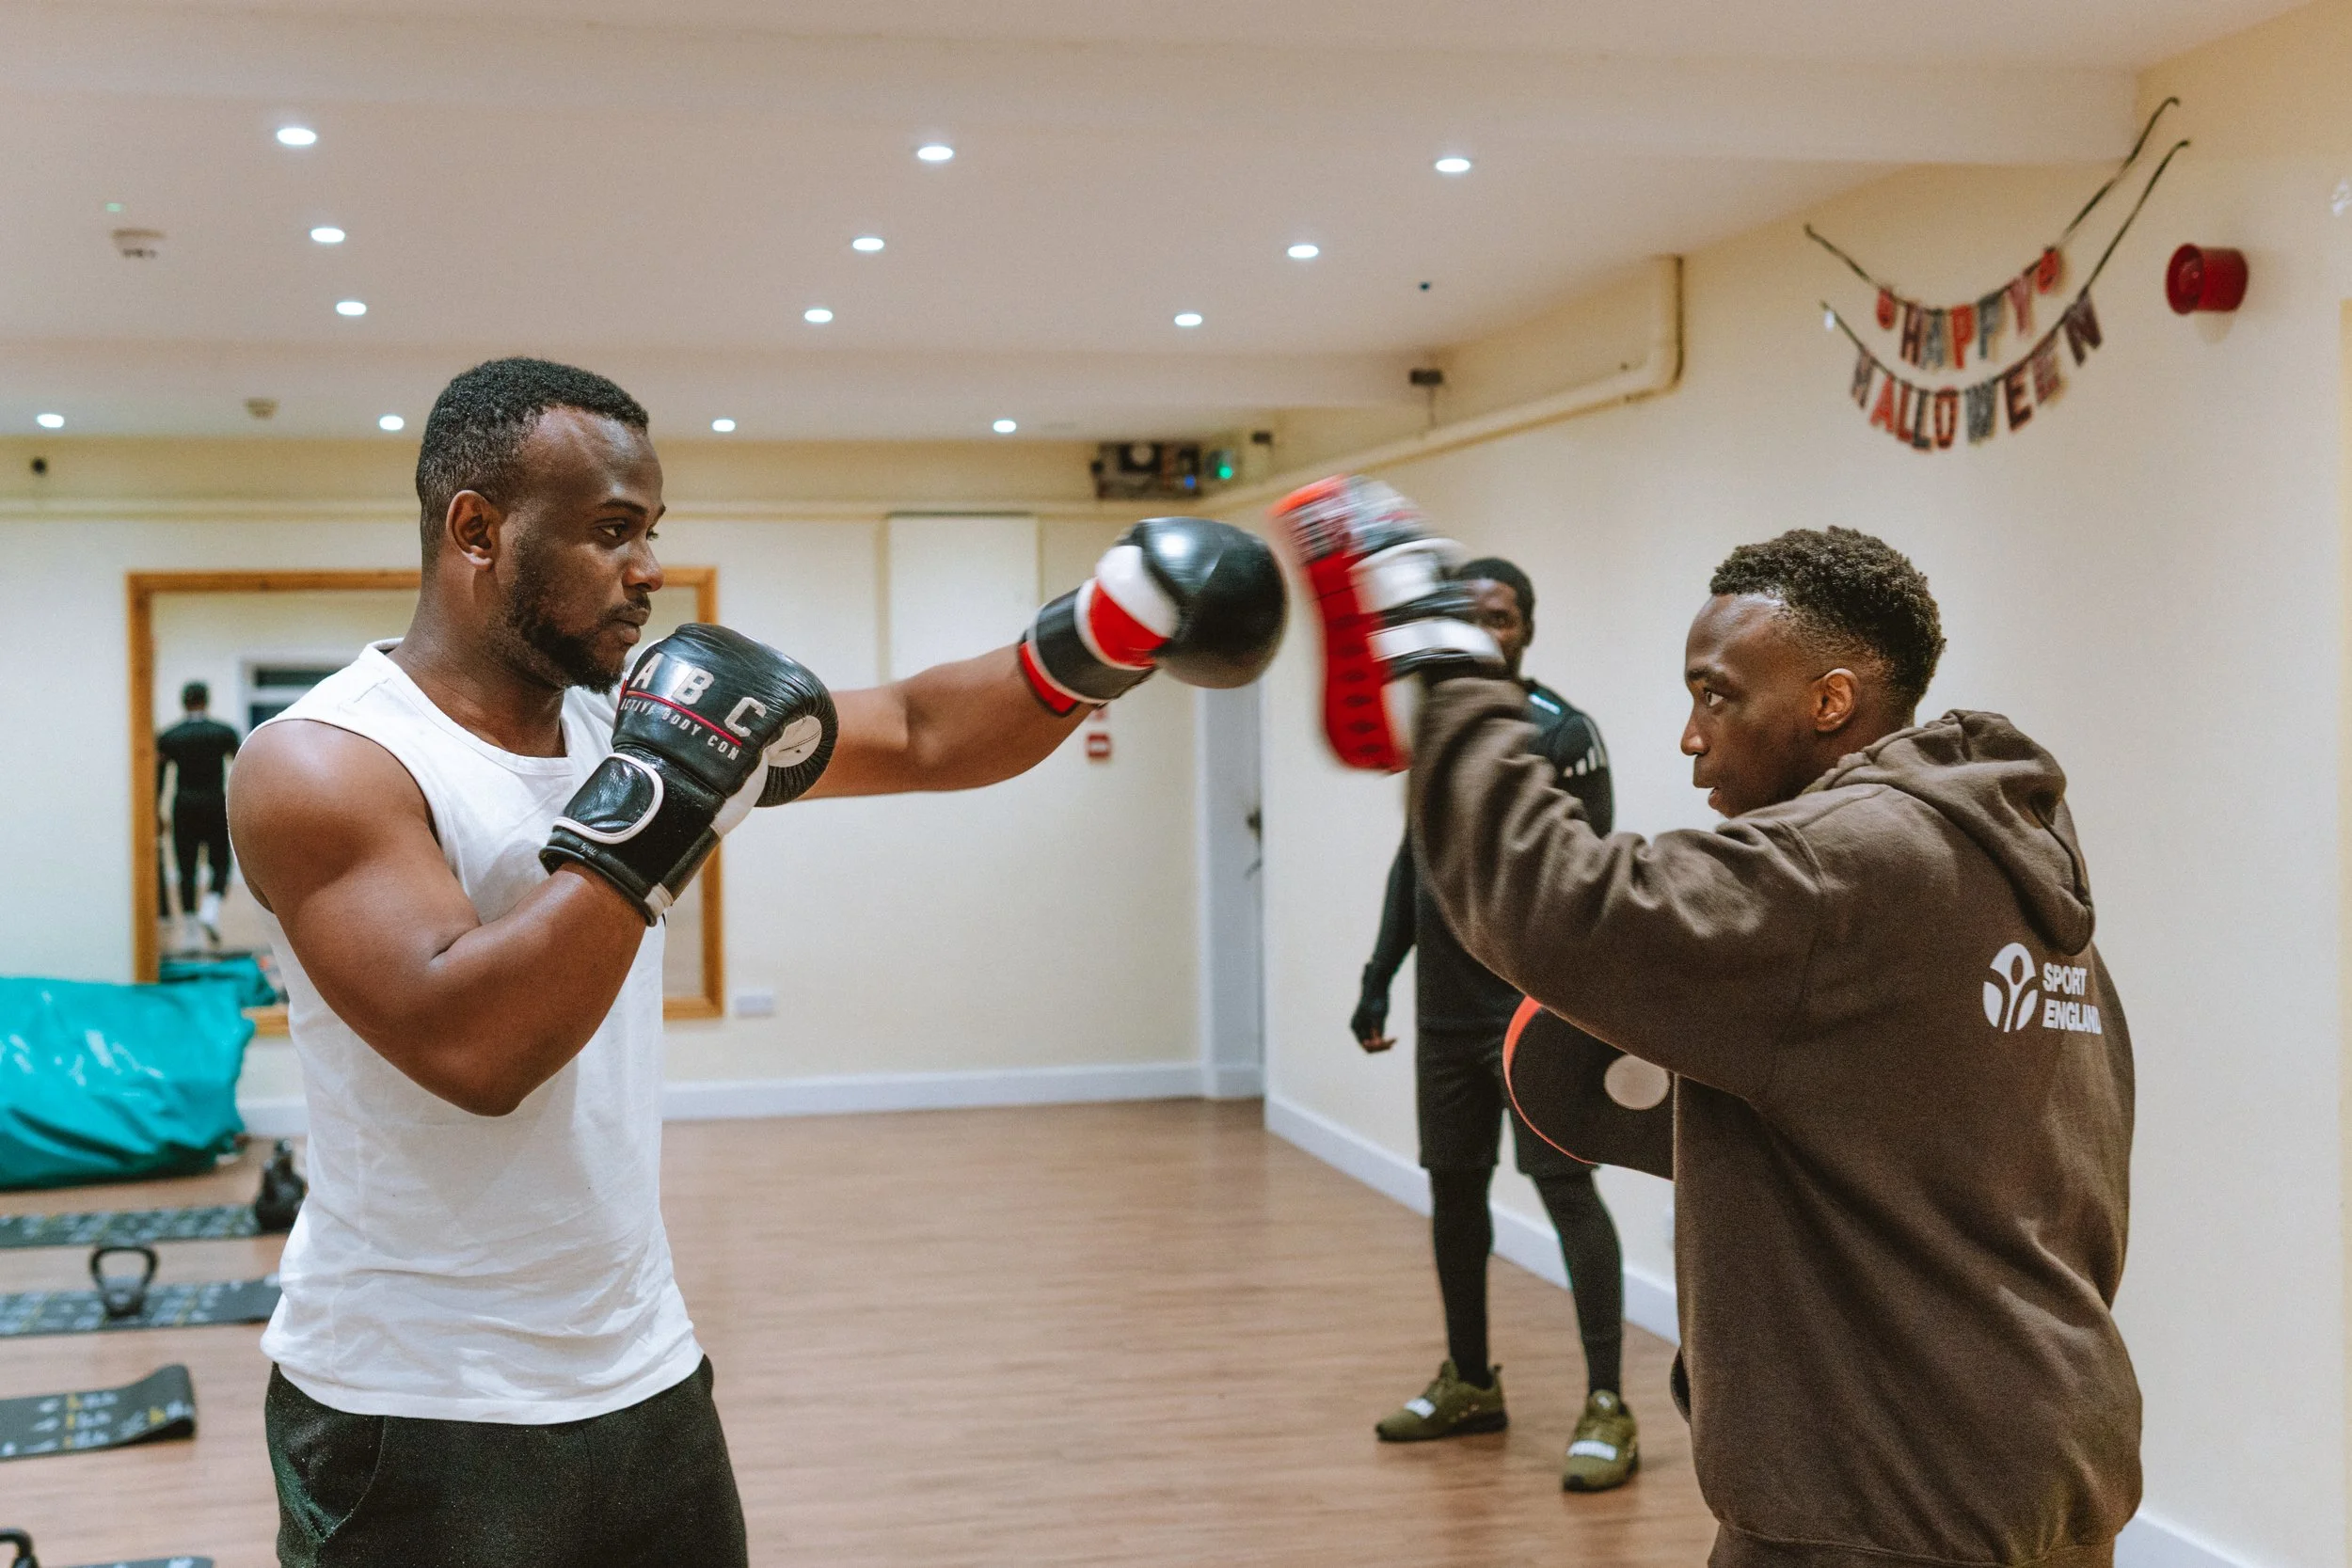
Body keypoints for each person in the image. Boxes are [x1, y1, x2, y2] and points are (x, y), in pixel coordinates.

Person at [228, 356, 1286, 1568]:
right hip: (412, 1404)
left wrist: (1108, 629)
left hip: (642, 1371)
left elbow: (925, 731)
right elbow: (474, 1046)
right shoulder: (324, 763)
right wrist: (670, 793)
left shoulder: (612, 723)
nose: (649, 569)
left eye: (652, 531)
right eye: (611, 532)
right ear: (476, 528)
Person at [1280, 479, 2139, 1568]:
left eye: (1717, 694)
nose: (1689, 735)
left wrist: (1450, 661)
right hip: (2051, 1459)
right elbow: (1954, 1138)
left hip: (1885, 1494)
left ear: (1830, 702)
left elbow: (1545, 897)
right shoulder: (2022, 885)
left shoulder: (1839, 864)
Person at [1347, 556, 1637, 1493]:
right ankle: (1470, 1379)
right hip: (1443, 1015)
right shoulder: (1440, 735)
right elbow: (1412, 861)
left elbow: (1593, 885)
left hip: (1534, 1016)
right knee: (1455, 1196)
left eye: (1501, 617)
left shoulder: (1562, 734)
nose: (1485, 632)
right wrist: (1377, 976)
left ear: (1527, 629)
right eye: (1468, 618)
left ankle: (1607, 1404)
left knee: (1564, 1194)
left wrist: (1582, 1014)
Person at [157, 679, 241, 950]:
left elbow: (157, 779)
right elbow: (241, 770)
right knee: (220, 863)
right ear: (207, 700)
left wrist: (155, 812)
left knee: (186, 868)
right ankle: (210, 909)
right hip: (216, 804)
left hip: (184, 806)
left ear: (184, 702)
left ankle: (191, 932)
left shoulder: (170, 737)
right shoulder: (224, 733)